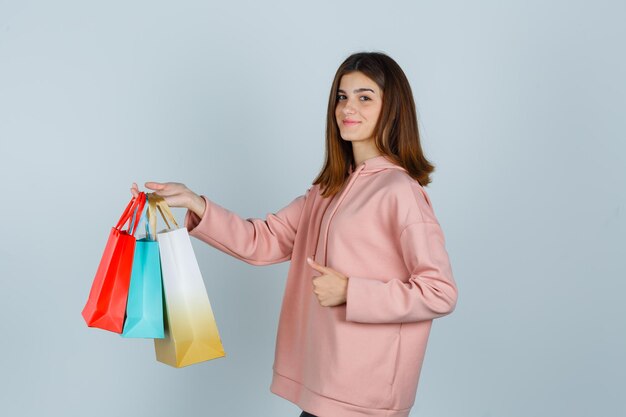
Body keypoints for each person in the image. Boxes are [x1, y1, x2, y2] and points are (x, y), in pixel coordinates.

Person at [131, 52, 457, 417]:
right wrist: (195, 203)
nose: (348, 107)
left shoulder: (400, 191)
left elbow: (439, 292)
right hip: (322, 384)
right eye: (342, 96)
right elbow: (262, 241)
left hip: (366, 399)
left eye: (365, 97)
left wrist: (352, 291)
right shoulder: (328, 189)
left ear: (392, 109)